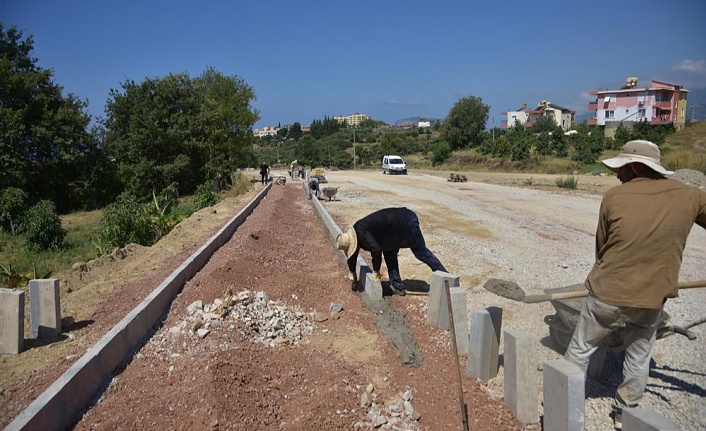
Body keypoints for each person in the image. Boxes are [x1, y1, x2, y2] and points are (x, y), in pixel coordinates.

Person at [563, 140, 706, 430]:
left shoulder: (614, 197)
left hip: (606, 295)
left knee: (580, 350)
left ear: (637, 167)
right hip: (651, 300)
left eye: (622, 168)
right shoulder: (692, 197)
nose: (618, 175)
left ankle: (562, 404)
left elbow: (602, 247)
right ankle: (625, 414)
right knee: (639, 356)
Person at [335, 207, 447, 295]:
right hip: (391, 231)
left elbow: (376, 250)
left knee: (421, 253)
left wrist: (376, 273)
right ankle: (397, 285)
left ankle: (447, 280)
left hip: (406, 221)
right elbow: (353, 257)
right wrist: (353, 274)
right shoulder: (357, 232)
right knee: (389, 254)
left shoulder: (361, 233)